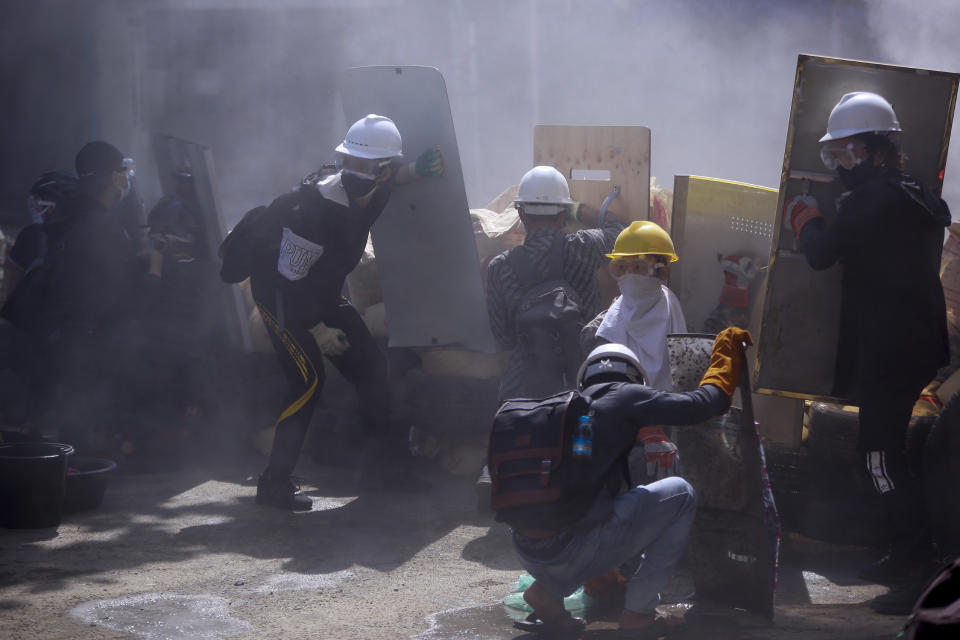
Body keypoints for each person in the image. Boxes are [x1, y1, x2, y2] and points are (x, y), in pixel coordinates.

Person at [219, 114, 444, 510]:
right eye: (349, 163)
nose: (353, 172)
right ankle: (274, 483)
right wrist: (320, 330)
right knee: (307, 381)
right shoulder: (315, 210)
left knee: (373, 370)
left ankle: (382, 469)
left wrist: (418, 170)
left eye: (364, 166)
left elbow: (395, 177)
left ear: (382, 170)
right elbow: (289, 282)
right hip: (280, 297)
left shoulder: (380, 187)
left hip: (320, 292)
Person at [785, 91, 951, 614]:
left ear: (878, 149)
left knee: (878, 457)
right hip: (916, 344)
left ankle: (924, 566)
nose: (840, 165)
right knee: (888, 453)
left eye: (848, 154)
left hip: (890, 349)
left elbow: (819, 255)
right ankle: (904, 553)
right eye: (835, 155)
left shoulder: (869, 201)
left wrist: (804, 217)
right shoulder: (914, 192)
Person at [501, 327, 751, 635]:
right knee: (681, 494)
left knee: (607, 499)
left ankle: (546, 593)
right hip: (572, 551)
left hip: (529, 550)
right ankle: (639, 613)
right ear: (636, 378)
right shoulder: (628, 395)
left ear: (585, 379)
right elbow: (703, 404)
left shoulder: (568, 407)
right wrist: (725, 356)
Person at [5, 141, 164, 452]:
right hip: (87, 350)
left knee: (68, 436)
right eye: (123, 171)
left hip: (58, 342)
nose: (126, 178)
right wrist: (154, 272)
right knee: (81, 443)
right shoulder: (104, 228)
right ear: (112, 178)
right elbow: (127, 302)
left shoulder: (64, 218)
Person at [485, 165, 626, 402]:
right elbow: (620, 231)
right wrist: (579, 210)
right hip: (583, 382)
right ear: (563, 215)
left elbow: (504, 338)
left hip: (524, 392)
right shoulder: (584, 246)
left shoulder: (499, 268)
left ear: (521, 215)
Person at [579, 220, 687, 484]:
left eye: (639, 268)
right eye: (621, 269)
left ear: (661, 272)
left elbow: (682, 369)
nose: (629, 277)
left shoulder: (670, 307)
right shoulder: (603, 329)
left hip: (665, 422)